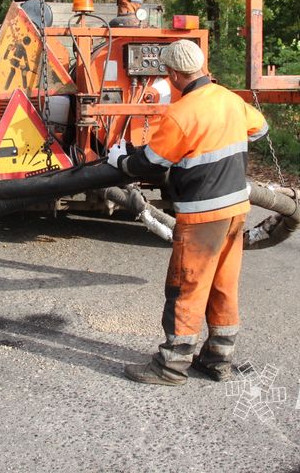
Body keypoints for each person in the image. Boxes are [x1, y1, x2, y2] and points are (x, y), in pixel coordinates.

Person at [106, 40, 268, 386]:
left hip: (202, 215)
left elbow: (149, 164)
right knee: (223, 285)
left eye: (167, 73)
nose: (168, 78)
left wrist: (119, 159)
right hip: (237, 208)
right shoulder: (229, 99)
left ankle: (170, 366)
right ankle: (217, 359)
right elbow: (260, 129)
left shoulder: (182, 113)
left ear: (176, 74)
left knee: (186, 286)